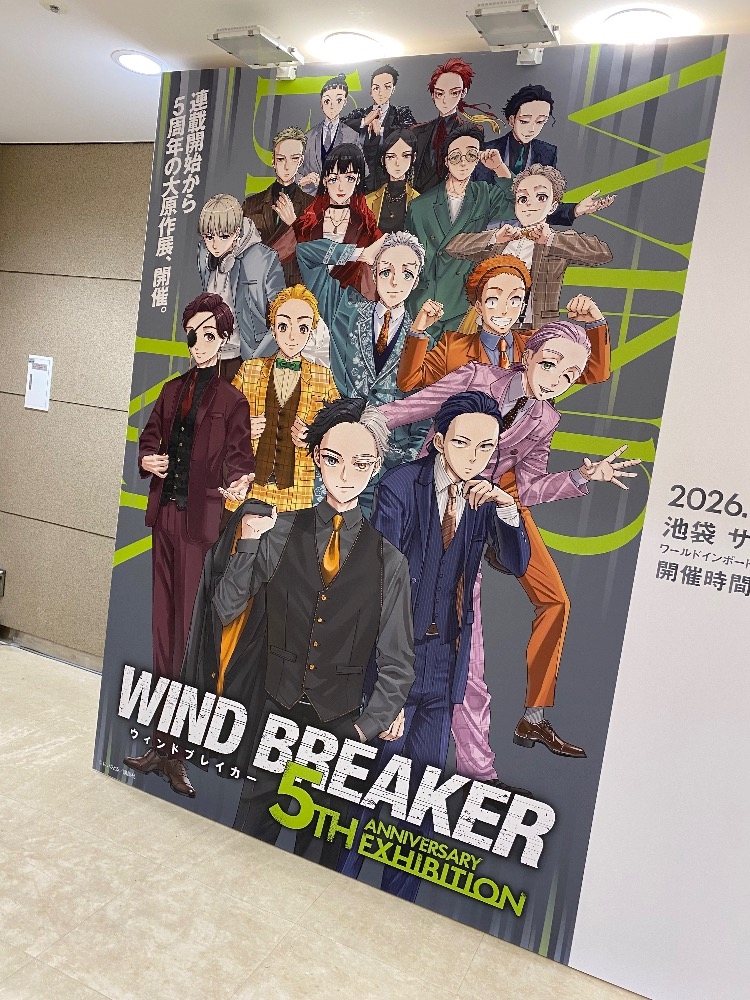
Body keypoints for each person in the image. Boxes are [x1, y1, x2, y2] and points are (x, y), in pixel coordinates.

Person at [379, 322, 640, 767]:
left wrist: (579, 477)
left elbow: (530, 486)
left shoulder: (546, 418)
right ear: (529, 354)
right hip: (428, 505)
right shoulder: (479, 377)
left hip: (484, 513)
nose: (557, 379)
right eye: (551, 364)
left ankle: (479, 764)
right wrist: (362, 427)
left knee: (470, 648)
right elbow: (413, 407)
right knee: (401, 617)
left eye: (570, 375)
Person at [338, 390, 531, 901]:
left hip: (445, 666)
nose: (474, 456)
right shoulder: (402, 487)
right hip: (395, 661)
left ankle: (399, 902)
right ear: (440, 440)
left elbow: (516, 564)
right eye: (463, 443)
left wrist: (509, 513)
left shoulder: (486, 498)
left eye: (486, 447)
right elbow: (380, 584)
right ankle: (336, 885)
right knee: (367, 786)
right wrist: (389, 693)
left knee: (419, 794)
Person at [216, 398, 415, 861]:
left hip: (342, 725)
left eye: (360, 463)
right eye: (333, 459)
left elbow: (398, 662)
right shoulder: (278, 531)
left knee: (320, 861)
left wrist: (363, 730)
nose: (345, 475)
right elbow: (226, 608)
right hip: (275, 712)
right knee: (246, 843)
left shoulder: (390, 561)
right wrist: (247, 544)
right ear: (316, 458)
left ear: (375, 468)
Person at [124, 293, 255, 797]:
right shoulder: (171, 390)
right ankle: (161, 744)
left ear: (223, 339)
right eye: (193, 335)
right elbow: (150, 437)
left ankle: (177, 750)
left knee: (187, 640)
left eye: (209, 335)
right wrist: (148, 459)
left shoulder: (233, 401)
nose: (199, 344)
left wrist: (239, 480)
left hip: (201, 526)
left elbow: (240, 457)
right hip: (165, 519)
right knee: (163, 633)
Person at [296, 231, 431, 512]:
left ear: (416, 280)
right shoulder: (346, 309)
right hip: (338, 450)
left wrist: (405, 461)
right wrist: (359, 253)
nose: (395, 282)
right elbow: (306, 255)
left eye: (406, 274)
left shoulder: (422, 338)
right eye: (386, 271)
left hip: (389, 465)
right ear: (374, 270)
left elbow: (424, 408)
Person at [446, 164, 614, 336]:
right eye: (523, 198)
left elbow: (602, 253)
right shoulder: (501, 239)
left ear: (553, 206)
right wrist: (494, 238)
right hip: (487, 327)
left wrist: (551, 239)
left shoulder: (556, 242)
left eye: (541, 197)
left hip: (533, 331)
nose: (530, 204)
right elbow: (454, 247)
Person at [225, 285, 340, 515]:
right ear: (273, 329)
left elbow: (339, 431)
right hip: (250, 485)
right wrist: (242, 429)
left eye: (302, 328)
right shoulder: (250, 370)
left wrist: (314, 438)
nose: (292, 336)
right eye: (284, 326)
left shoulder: (323, 377)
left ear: (311, 332)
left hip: (296, 490)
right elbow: (218, 419)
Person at [404, 124, 515, 341]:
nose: (463, 162)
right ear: (446, 161)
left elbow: (518, 204)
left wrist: (499, 168)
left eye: (471, 155)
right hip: (425, 300)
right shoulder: (420, 206)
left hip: (463, 301)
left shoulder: (484, 194)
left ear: (478, 158)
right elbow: (411, 256)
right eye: (456, 157)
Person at [472, 84, 616, 225]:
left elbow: (546, 206)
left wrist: (575, 210)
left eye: (540, 122)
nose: (532, 128)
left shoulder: (547, 152)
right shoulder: (486, 150)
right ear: (511, 120)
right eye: (524, 121)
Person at [272, 144, 382, 298]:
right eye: (334, 179)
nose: (341, 187)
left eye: (349, 178)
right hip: (308, 302)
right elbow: (276, 256)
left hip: (346, 305)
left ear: (358, 180)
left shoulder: (365, 225)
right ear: (324, 180)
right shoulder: (310, 220)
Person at [196, 194, 285, 370]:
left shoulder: (263, 258)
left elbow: (283, 316)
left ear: (237, 232)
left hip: (247, 356)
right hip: (210, 353)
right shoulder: (204, 254)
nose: (214, 245)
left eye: (223, 236)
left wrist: (259, 356)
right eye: (209, 236)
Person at [411, 57, 499, 194]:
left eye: (453, 93)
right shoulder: (417, 131)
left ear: (463, 93)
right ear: (432, 94)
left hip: (452, 197)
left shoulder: (472, 132)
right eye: (439, 93)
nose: (445, 100)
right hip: (418, 198)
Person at [242, 126, 314, 287]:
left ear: (301, 161)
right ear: (273, 160)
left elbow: (317, 253)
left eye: (294, 158)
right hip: (256, 287)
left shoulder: (312, 205)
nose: (287, 166)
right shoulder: (251, 204)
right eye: (281, 159)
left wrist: (295, 224)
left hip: (295, 289)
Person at [343, 64, 417, 191]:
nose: (381, 93)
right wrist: (364, 121)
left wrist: (381, 130)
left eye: (386, 87)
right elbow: (340, 127)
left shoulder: (401, 113)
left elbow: (409, 133)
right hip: (360, 181)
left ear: (393, 89)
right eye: (376, 88)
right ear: (371, 91)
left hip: (389, 179)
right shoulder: (359, 114)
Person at [298, 75, 362, 195]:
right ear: (321, 103)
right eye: (327, 101)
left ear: (345, 102)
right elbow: (292, 168)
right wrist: (301, 179)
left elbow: (362, 171)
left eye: (338, 100)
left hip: (340, 197)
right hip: (311, 197)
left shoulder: (352, 136)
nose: (332, 106)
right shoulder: (309, 136)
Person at [365, 128, 420, 234]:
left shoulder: (419, 201)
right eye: (391, 157)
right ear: (383, 160)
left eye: (405, 156)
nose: (397, 163)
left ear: (413, 158)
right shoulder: (368, 201)